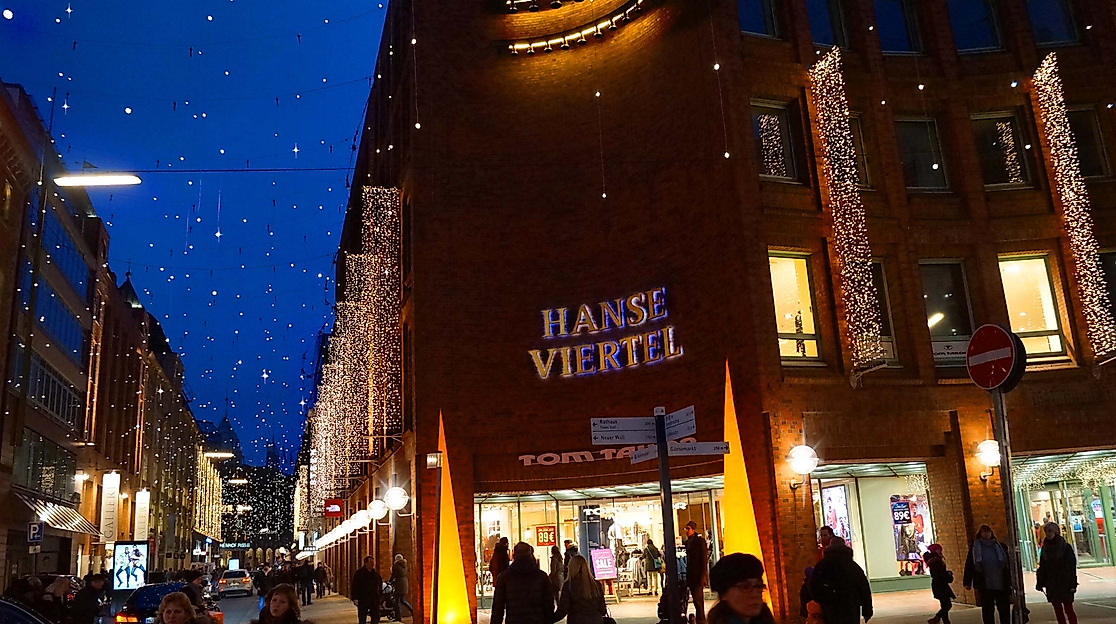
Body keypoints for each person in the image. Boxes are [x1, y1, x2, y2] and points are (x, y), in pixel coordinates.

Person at [809, 536, 873, 624]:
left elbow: (813, 585)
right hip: (850, 607)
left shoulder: (822, 565)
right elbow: (863, 588)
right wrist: (867, 610)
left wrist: (822, 599)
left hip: (830, 608)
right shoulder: (852, 566)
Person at [490, 542, 554, 624]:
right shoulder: (542, 577)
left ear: (514, 556)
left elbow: (498, 608)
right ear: (530, 555)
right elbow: (548, 605)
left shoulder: (504, 578)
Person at [708, 553, 775, 624]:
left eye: (758, 586)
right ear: (724, 594)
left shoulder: (765, 620)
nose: (755, 594)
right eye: (745, 587)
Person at [963, 524, 1011, 624]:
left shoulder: (1000, 546)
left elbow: (1008, 564)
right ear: (980, 534)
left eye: (988, 532)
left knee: (1004, 609)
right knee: (988, 609)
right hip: (985, 583)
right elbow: (969, 565)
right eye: (984, 532)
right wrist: (967, 581)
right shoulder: (975, 548)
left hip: (1001, 582)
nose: (986, 534)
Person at [1036, 522, 1078, 624]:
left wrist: (1072, 583)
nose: (1048, 534)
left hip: (1064, 582)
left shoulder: (1065, 547)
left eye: (1050, 531)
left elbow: (1071, 567)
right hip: (1052, 582)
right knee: (1057, 609)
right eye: (1046, 532)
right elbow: (1043, 567)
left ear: (1055, 531)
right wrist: (1040, 582)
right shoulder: (1045, 549)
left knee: (1068, 608)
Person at [554, 555, 606, 624]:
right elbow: (603, 610)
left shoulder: (569, 585)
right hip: (596, 620)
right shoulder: (596, 584)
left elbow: (563, 609)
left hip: (576, 620)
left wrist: (550, 619)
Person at [684, 521, 710, 624]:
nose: (686, 531)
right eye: (686, 529)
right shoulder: (688, 542)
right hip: (691, 573)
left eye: (688, 528)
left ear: (693, 529)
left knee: (698, 598)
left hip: (698, 573)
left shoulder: (699, 541)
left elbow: (703, 559)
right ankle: (700, 617)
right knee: (695, 598)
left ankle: (701, 618)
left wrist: (703, 575)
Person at [924, 544, 955, 624]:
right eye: (939, 549)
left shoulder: (934, 560)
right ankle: (938, 618)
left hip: (939, 584)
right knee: (947, 605)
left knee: (945, 604)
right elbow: (939, 574)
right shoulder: (936, 561)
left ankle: (944, 621)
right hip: (941, 585)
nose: (940, 551)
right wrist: (947, 575)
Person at [351, 556, 383, 624]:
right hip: (363, 599)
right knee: (362, 618)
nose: (372, 564)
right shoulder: (359, 574)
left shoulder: (376, 574)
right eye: (371, 562)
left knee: (375, 618)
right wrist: (355, 598)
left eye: (373, 562)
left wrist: (380, 598)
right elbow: (355, 586)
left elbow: (380, 586)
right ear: (366, 563)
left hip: (374, 599)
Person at [391, 554, 413, 620]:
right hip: (404, 583)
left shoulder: (396, 565)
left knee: (397, 601)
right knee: (402, 600)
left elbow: (394, 575)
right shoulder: (404, 565)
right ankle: (412, 610)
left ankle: (398, 617)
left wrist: (389, 581)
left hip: (399, 584)